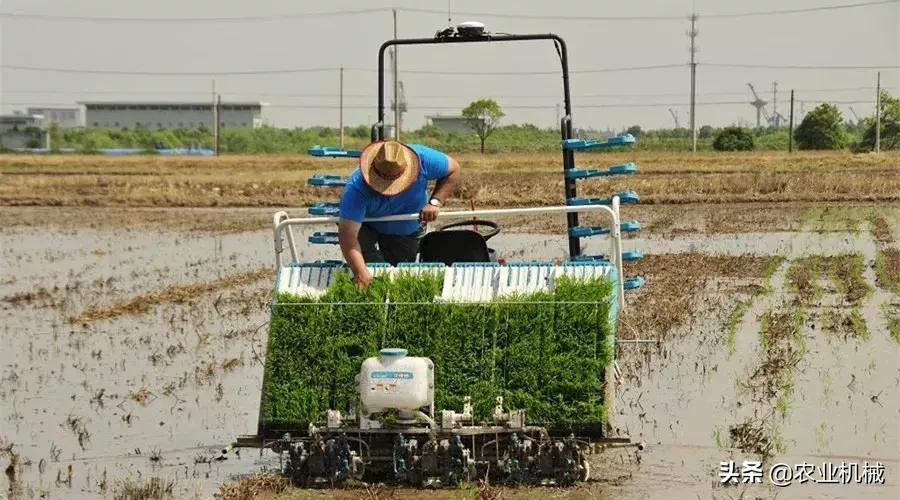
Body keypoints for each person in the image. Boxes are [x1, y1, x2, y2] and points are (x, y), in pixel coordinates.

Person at [338, 140, 460, 289]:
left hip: (407, 230)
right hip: (368, 228)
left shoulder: (424, 160)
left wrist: (435, 202)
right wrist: (360, 272)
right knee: (371, 272)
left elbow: (454, 169)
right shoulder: (356, 188)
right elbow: (348, 235)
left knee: (399, 277)